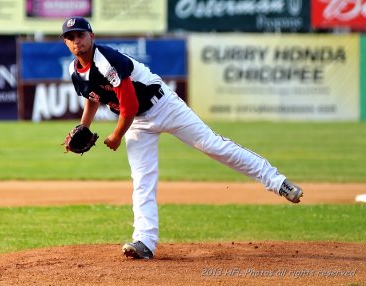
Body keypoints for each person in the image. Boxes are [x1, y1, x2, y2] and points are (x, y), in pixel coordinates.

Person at [61, 17, 303, 260]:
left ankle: (277, 181)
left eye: (80, 35)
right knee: (142, 179)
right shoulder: (75, 70)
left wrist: (115, 136)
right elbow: (92, 97)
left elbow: (130, 105)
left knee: (213, 145)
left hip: (163, 105)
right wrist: (84, 126)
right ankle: (144, 241)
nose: (76, 41)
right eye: (70, 37)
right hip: (138, 124)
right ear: (65, 42)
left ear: (91, 36)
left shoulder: (108, 60)